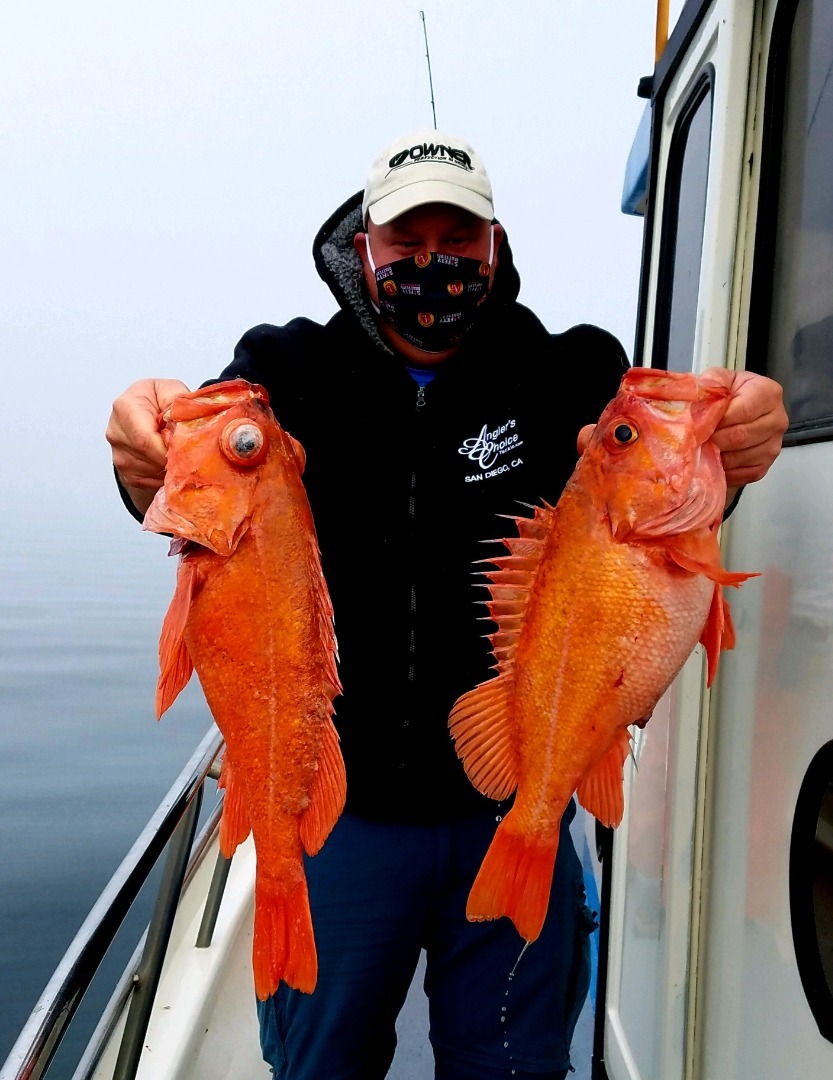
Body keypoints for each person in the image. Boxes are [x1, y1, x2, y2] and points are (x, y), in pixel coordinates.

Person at [106, 128, 788, 1079]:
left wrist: (739, 440)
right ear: (364, 248)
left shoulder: (570, 372)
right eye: (407, 238)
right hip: (338, 816)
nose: (435, 260)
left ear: (496, 249)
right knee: (321, 1063)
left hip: (504, 798)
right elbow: (199, 490)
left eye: (459, 239)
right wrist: (136, 455)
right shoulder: (285, 369)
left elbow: (649, 525)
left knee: (510, 1062)